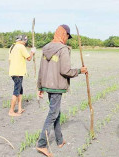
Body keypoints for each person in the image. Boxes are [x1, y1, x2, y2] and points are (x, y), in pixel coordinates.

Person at [36, 24, 88, 157]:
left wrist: (40, 87)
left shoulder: (46, 47)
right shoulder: (63, 49)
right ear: (63, 34)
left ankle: (59, 140)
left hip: (47, 85)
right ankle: (41, 144)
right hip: (57, 86)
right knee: (53, 114)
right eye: (67, 36)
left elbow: (41, 70)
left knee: (56, 112)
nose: (67, 39)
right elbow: (66, 71)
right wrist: (80, 71)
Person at [8, 35, 36, 116]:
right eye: (25, 41)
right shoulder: (21, 47)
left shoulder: (12, 47)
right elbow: (29, 58)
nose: (25, 42)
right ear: (21, 40)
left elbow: (10, 59)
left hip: (13, 71)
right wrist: (32, 52)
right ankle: (11, 111)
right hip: (18, 72)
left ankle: (20, 108)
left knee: (20, 90)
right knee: (16, 91)